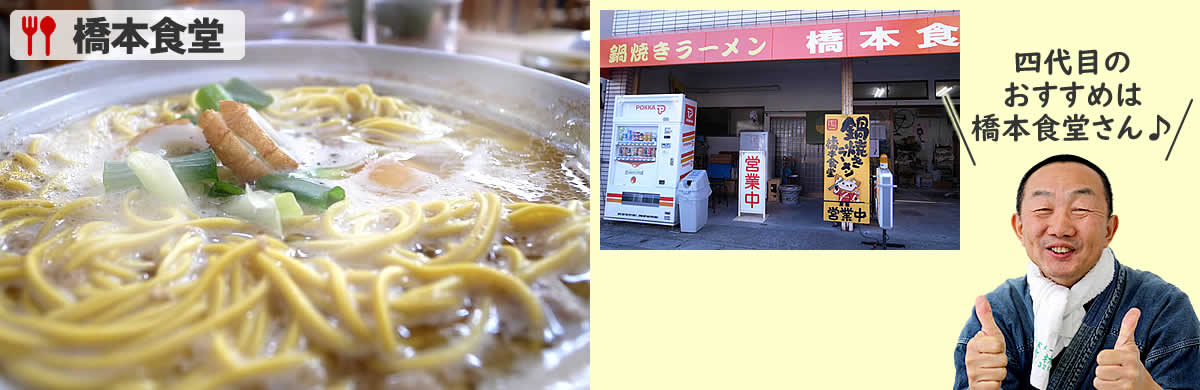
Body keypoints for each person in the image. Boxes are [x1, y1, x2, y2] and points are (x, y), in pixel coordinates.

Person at [953, 154, 1200, 390]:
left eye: (1081, 209)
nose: (1060, 228)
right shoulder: (995, 316)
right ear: (1019, 228)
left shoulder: (1164, 308)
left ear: (1109, 230)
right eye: (1043, 209)